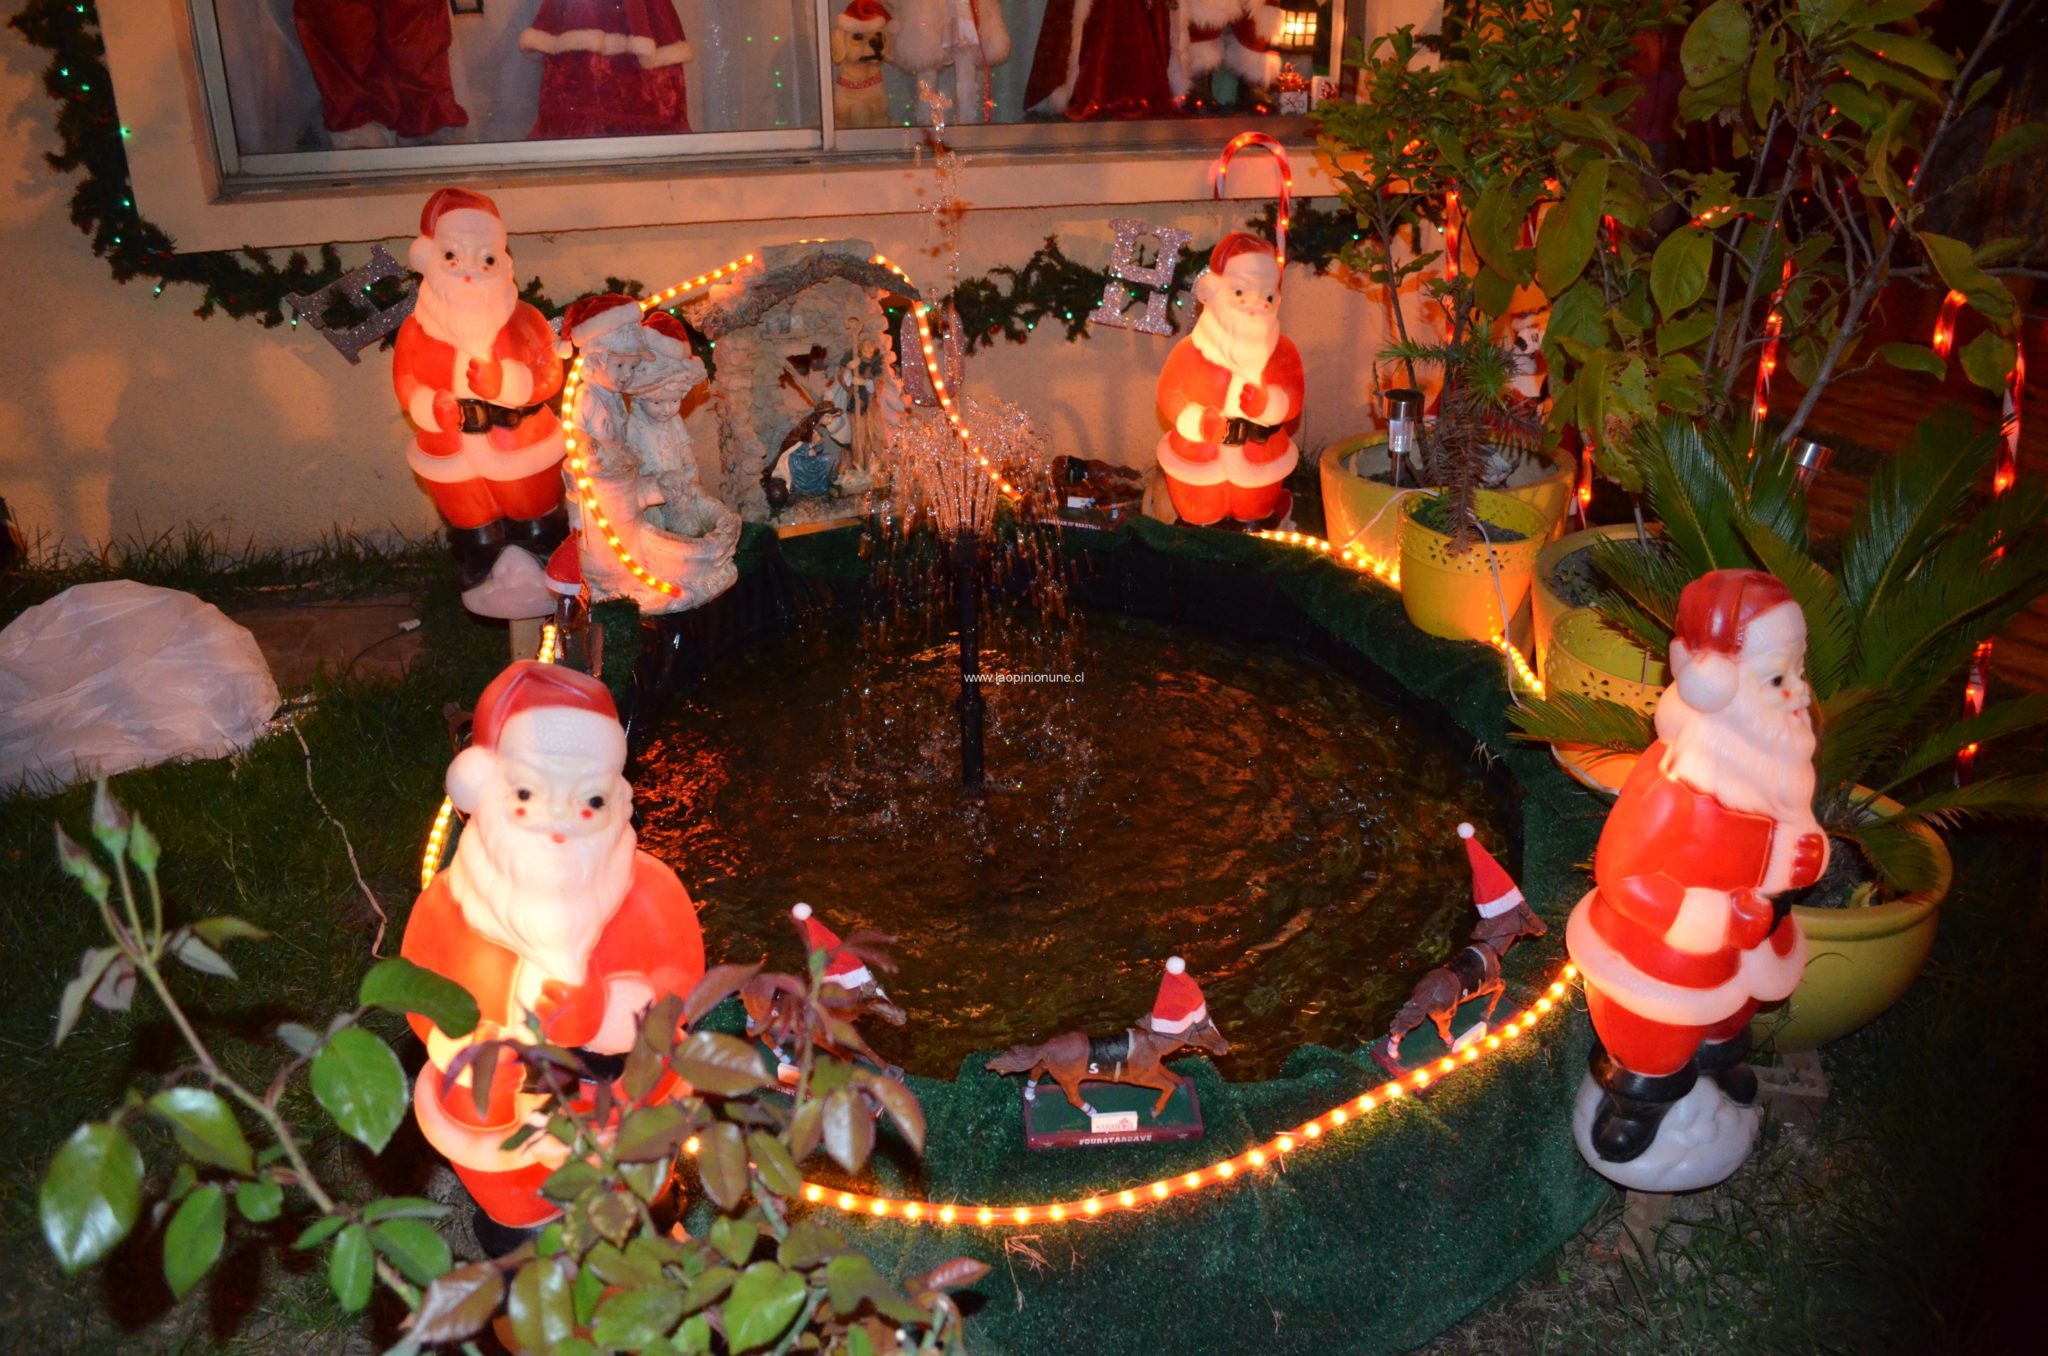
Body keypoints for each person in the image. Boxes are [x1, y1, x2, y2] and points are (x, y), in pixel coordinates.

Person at [401, 661, 704, 1246]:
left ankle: (646, 1230)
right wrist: (468, 1042)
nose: (561, 822)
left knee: (637, 1194)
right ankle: (522, 1243)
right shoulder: (452, 903)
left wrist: (615, 1013)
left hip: (619, 1099)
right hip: (497, 1114)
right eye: (528, 794)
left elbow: (680, 973)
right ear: (483, 787)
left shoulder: (649, 889)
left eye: (588, 799)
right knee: (515, 1208)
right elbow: (418, 983)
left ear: (615, 796)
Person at [1568, 570, 1822, 1189]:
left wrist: (1803, 853)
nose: (1797, 694)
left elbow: (1793, 820)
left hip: (1755, 938)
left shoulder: (1775, 762)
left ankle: (1719, 1056)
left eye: (1797, 671)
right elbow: (1623, 873)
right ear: (1716, 686)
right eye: (1777, 678)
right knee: (1656, 1036)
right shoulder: (1676, 785)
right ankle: (1640, 1097)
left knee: (1732, 1017)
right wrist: (1712, 916)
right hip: (1667, 953)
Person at [391, 189, 567, 616]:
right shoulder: (417, 329)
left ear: (502, 263)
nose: (470, 270)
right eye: (453, 256)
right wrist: (428, 406)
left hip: (522, 448)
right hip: (450, 455)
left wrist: (505, 381)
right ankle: (483, 576)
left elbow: (549, 372)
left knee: (535, 522)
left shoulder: (524, 319)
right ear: (429, 259)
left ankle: (547, 570)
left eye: (486, 259)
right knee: (475, 531)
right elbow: (406, 378)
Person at [1153, 232, 1305, 527]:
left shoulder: (1282, 351)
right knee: (1200, 521)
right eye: (1240, 292)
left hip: (1260, 460)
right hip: (1198, 463)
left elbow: (1293, 397)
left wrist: (1268, 404)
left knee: (1255, 520)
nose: (1256, 305)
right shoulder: (1190, 351)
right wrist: (1198, 423)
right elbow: (1168, 394)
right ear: (1211, 291)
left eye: (1268, 296)